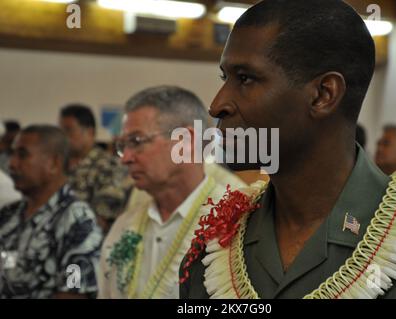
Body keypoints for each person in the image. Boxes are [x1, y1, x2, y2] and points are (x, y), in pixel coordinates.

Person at [180, 0, 396, 299]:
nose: (218, 105)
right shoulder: (217, 247)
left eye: (245, 78)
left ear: (323, 95)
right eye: (225, 78)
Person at [97, 86, 246, 299]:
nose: (125, 158)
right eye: (123, 145)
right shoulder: (125, 224)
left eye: (136, 141)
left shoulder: (233, 221)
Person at [0, 125, 103, 298]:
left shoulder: (77, 221)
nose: (12, 163)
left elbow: (74, 291)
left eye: (22, 155)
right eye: (12, 154)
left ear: (54, 163)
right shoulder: (9, 215)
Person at [59, 104, 131, 234]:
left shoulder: (108, 166)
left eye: (69, 130)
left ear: (90, 132)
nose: (63, 137)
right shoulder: (59, 165)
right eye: (61, 131)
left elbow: (101, 220)